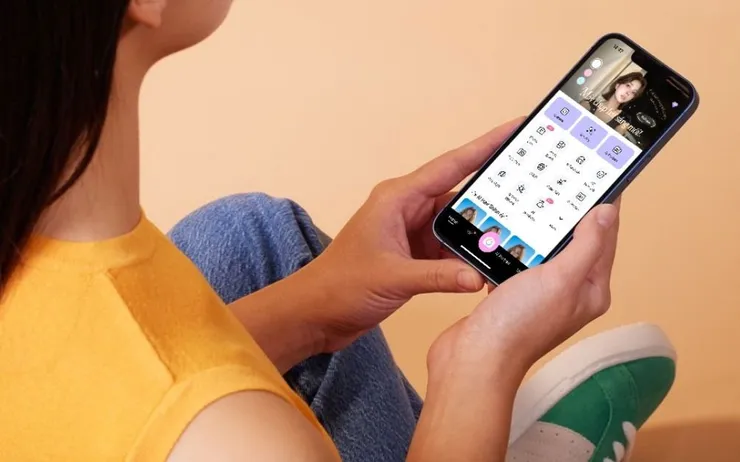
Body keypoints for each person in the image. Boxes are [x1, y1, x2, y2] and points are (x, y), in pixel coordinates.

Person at [0, 2, 675, 461]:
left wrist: (319, 308)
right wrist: (479, 366)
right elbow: (168, 406)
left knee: (254, 235)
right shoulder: (235, 441)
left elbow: (99, 390)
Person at [579, 71, 647, 135]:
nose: (628, 93)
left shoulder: (623, 121)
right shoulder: (587, 104)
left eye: (633, 92)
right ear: (617, 85)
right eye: (628, 85)